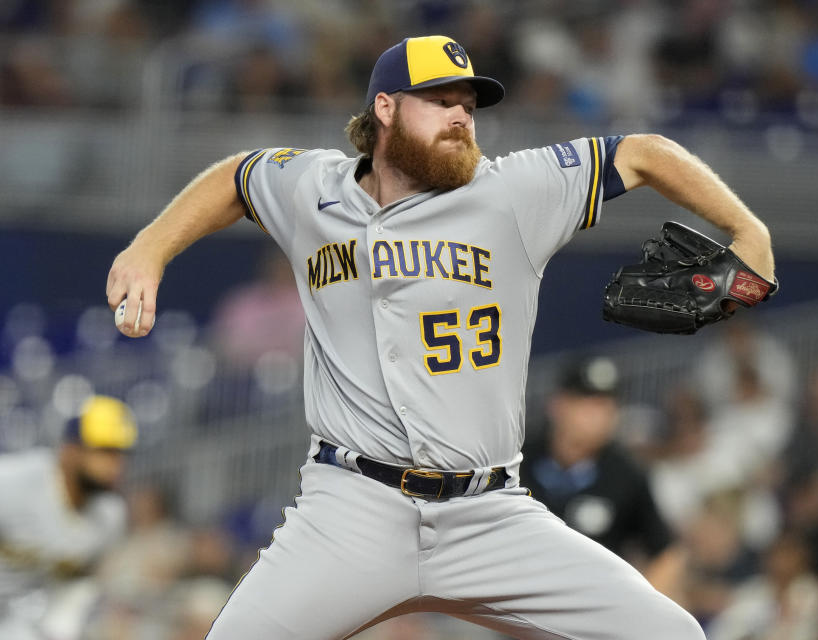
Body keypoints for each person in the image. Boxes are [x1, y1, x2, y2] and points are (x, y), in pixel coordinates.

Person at [106, 34, 774, 640]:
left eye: (469, 104)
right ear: (387, 109)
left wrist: (751, 234)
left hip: (489, 515)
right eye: (440, 101)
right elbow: (238, 177)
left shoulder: (514, 191)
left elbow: (645, 153)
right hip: (352, 510)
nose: (461, 116)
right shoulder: (314, 188)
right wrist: (150, 248)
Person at [521, 356, 688, 602]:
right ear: (558, 405)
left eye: (607, 405)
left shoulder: (625, 473)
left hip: (591, 607)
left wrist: (641, 606)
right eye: (588, 403)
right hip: (516, 602)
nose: (599, 415)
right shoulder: (520, 459)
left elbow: (667, 552)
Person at [0, 395, 137, 639]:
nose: (116, 464)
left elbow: (80, 587)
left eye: (121, 453)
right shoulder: (15, 483)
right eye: (105, 451)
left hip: (25, 620)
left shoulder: (111, 517)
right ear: (71, 450)